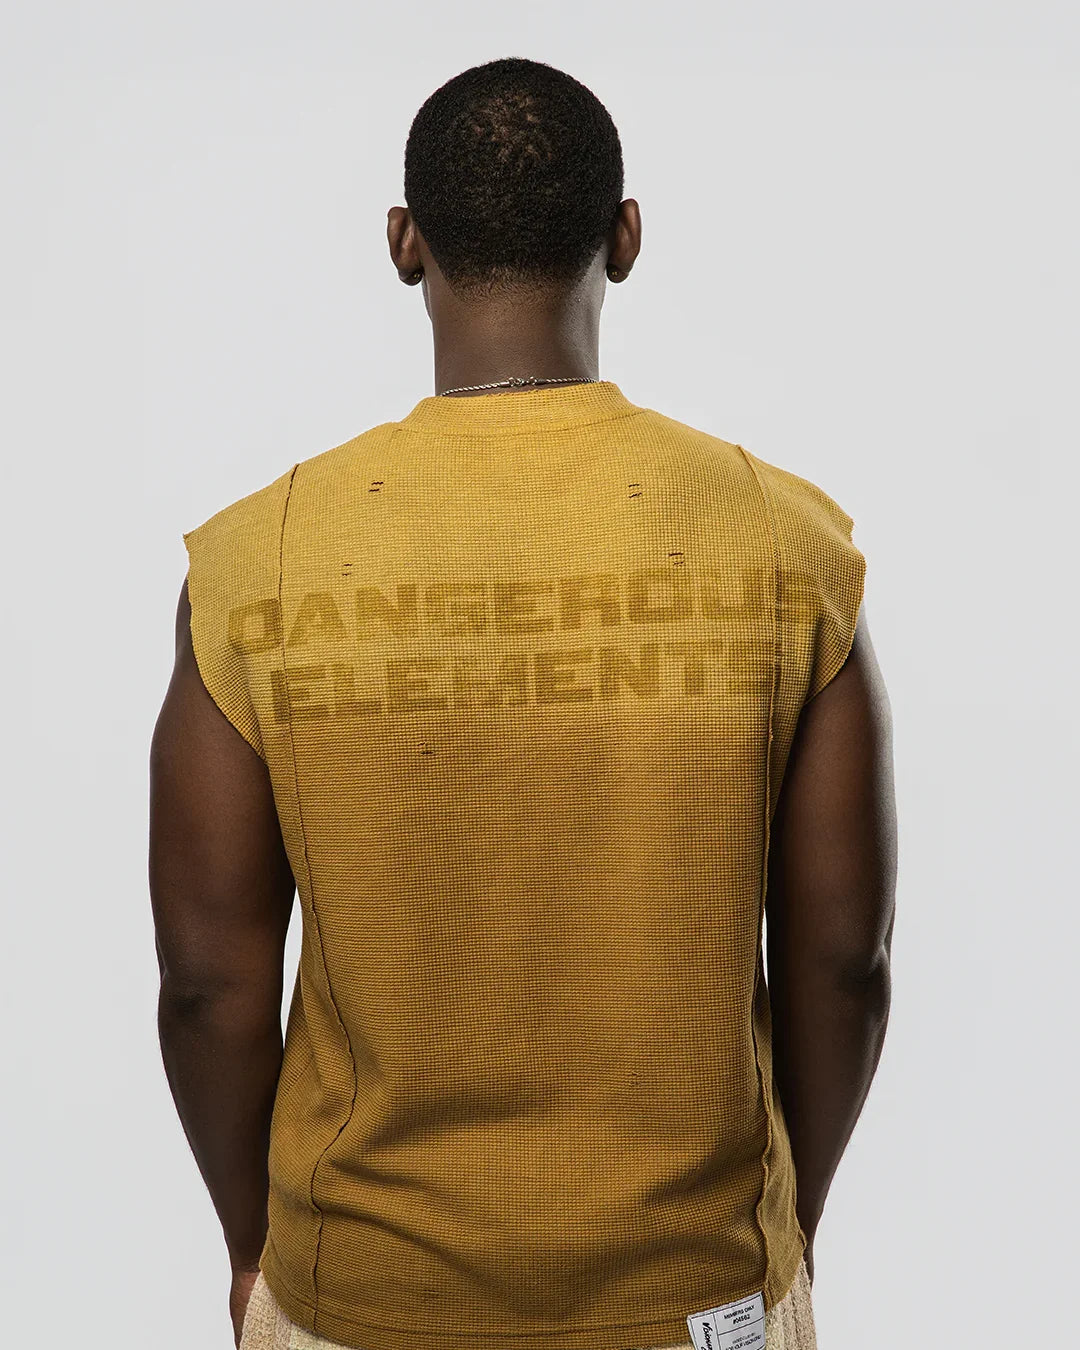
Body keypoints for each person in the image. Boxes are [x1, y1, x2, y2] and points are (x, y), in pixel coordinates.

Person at [149, 56, 896, 1350]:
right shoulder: (783, 544)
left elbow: (208, 981)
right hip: (692, 1293)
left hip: (362, 1295)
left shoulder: (256, 561)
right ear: (625, 237)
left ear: (404, 243)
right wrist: (785, 1234)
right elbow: (844, 961)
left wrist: (254, 1249)